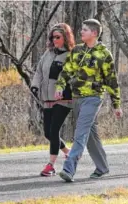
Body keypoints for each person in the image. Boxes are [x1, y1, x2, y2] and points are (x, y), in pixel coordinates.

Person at [55, 19, 122, 182]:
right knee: (90, 133)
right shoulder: (77, 50)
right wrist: (60, 86)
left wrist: (116, 104)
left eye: (85, 30)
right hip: (77, 97)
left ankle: (69, 168)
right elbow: (66, 71)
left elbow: (111, 81)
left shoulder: (104, 54)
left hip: (93, 98)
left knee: (80, 132)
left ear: (94, 33)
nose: (81, 32)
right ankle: (102, 167)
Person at [30, 23, 76, 176]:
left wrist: (63, 88)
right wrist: (35, 86)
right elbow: (39, 72)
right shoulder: (47, 54)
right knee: (48, 133)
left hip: (63, 99)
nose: (54, 40)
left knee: (55, 129)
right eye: (52, 37)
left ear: (65, 37)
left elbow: (72, 77)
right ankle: (67, 151)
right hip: (47, 98)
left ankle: (51, 165)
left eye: (58, 37)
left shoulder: (70, 55)